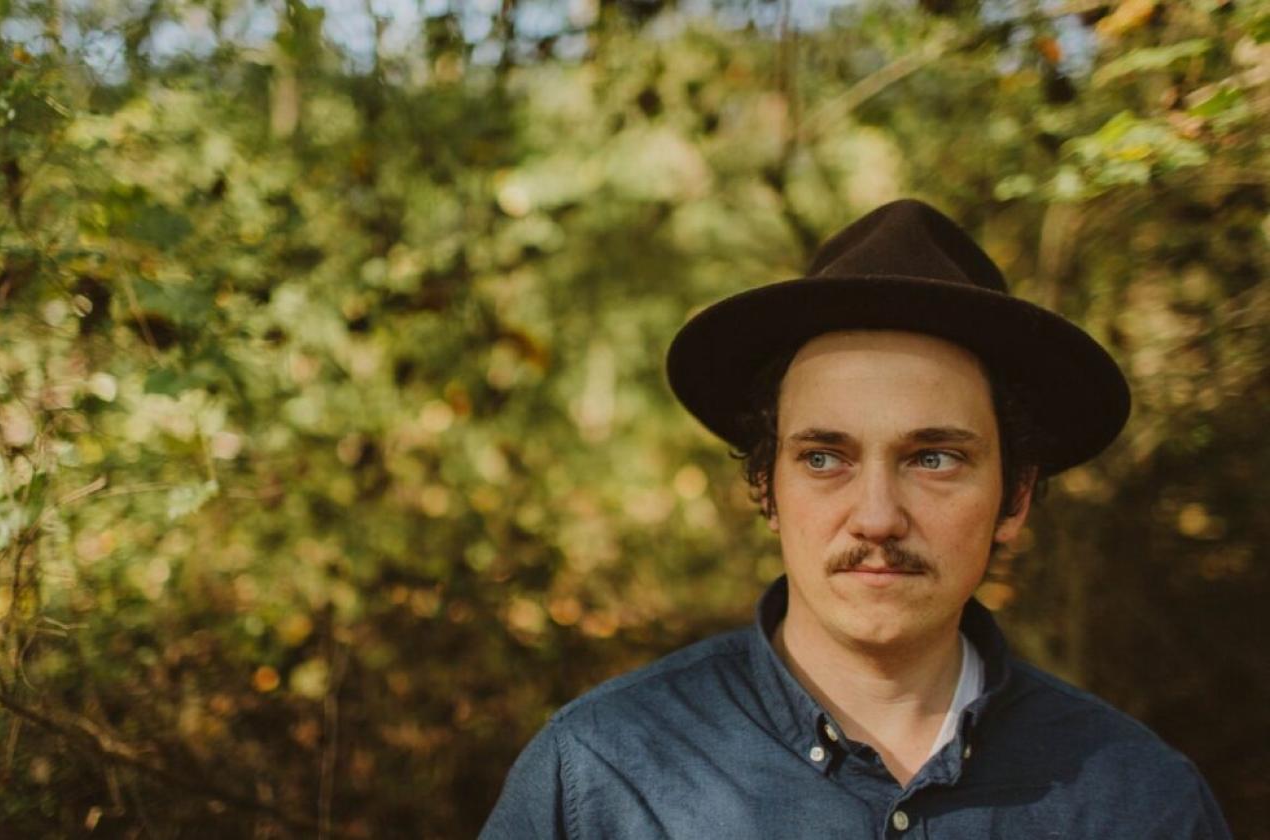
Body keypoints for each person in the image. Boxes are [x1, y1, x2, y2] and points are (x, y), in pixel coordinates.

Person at [479, 199, 1232, 839]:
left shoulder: (1140, 801)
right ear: (767, 490)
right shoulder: (601, 775)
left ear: (1016, 497)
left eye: (933, 458)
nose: (876, 518)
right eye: (823, 458)